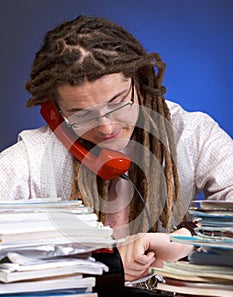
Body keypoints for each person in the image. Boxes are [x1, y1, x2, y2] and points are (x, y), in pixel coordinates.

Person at [0, 15, 233, 282]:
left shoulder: (192, 133)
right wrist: (101, 263)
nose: (107, 128)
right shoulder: (31, 158)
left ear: (138, 81)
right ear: (54, 112)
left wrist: (187, 239)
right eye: (80, 114)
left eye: (118, 102)